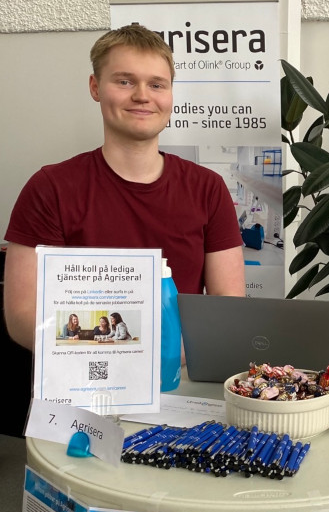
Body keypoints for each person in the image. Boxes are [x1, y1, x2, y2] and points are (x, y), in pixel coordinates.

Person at [4, 24, 246, 350]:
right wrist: (130, 358)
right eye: (124, 81)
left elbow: (227, 306)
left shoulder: (208, 189)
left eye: (156, 84)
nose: (142, 95)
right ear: (95, 87)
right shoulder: (50, 188)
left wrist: (164, 358)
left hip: (180, 383)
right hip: (81, 385)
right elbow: (22, 317)